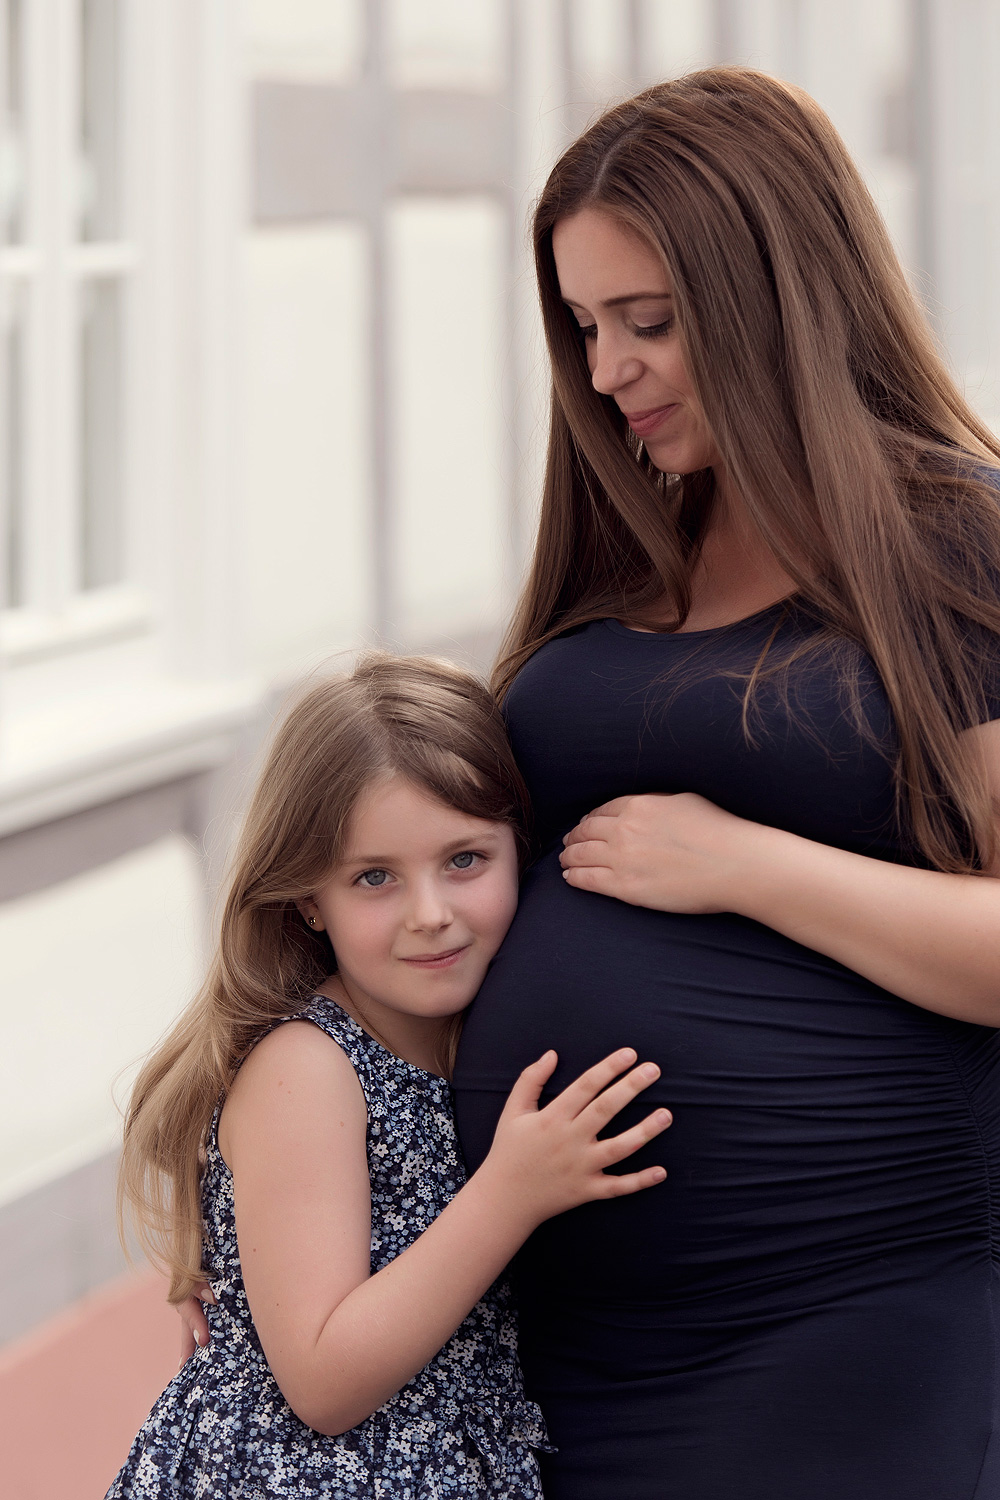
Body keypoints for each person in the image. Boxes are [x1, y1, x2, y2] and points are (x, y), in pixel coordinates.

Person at [451, 67, 1000, 1500]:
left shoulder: (956, 547)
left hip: (841, 1332)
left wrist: (746, 864)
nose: (606, 370)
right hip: (552, 1346)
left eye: (650, 322)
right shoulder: (618, 546)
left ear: (777, 300)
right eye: (581, 327)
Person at [107, 654, 671, 1500]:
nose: (430, 912)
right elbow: (325, 1383)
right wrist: (509, 1193)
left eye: (465, 860)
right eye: (375, 877)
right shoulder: (308, 1067)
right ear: (306, 900)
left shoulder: (473, 1038)